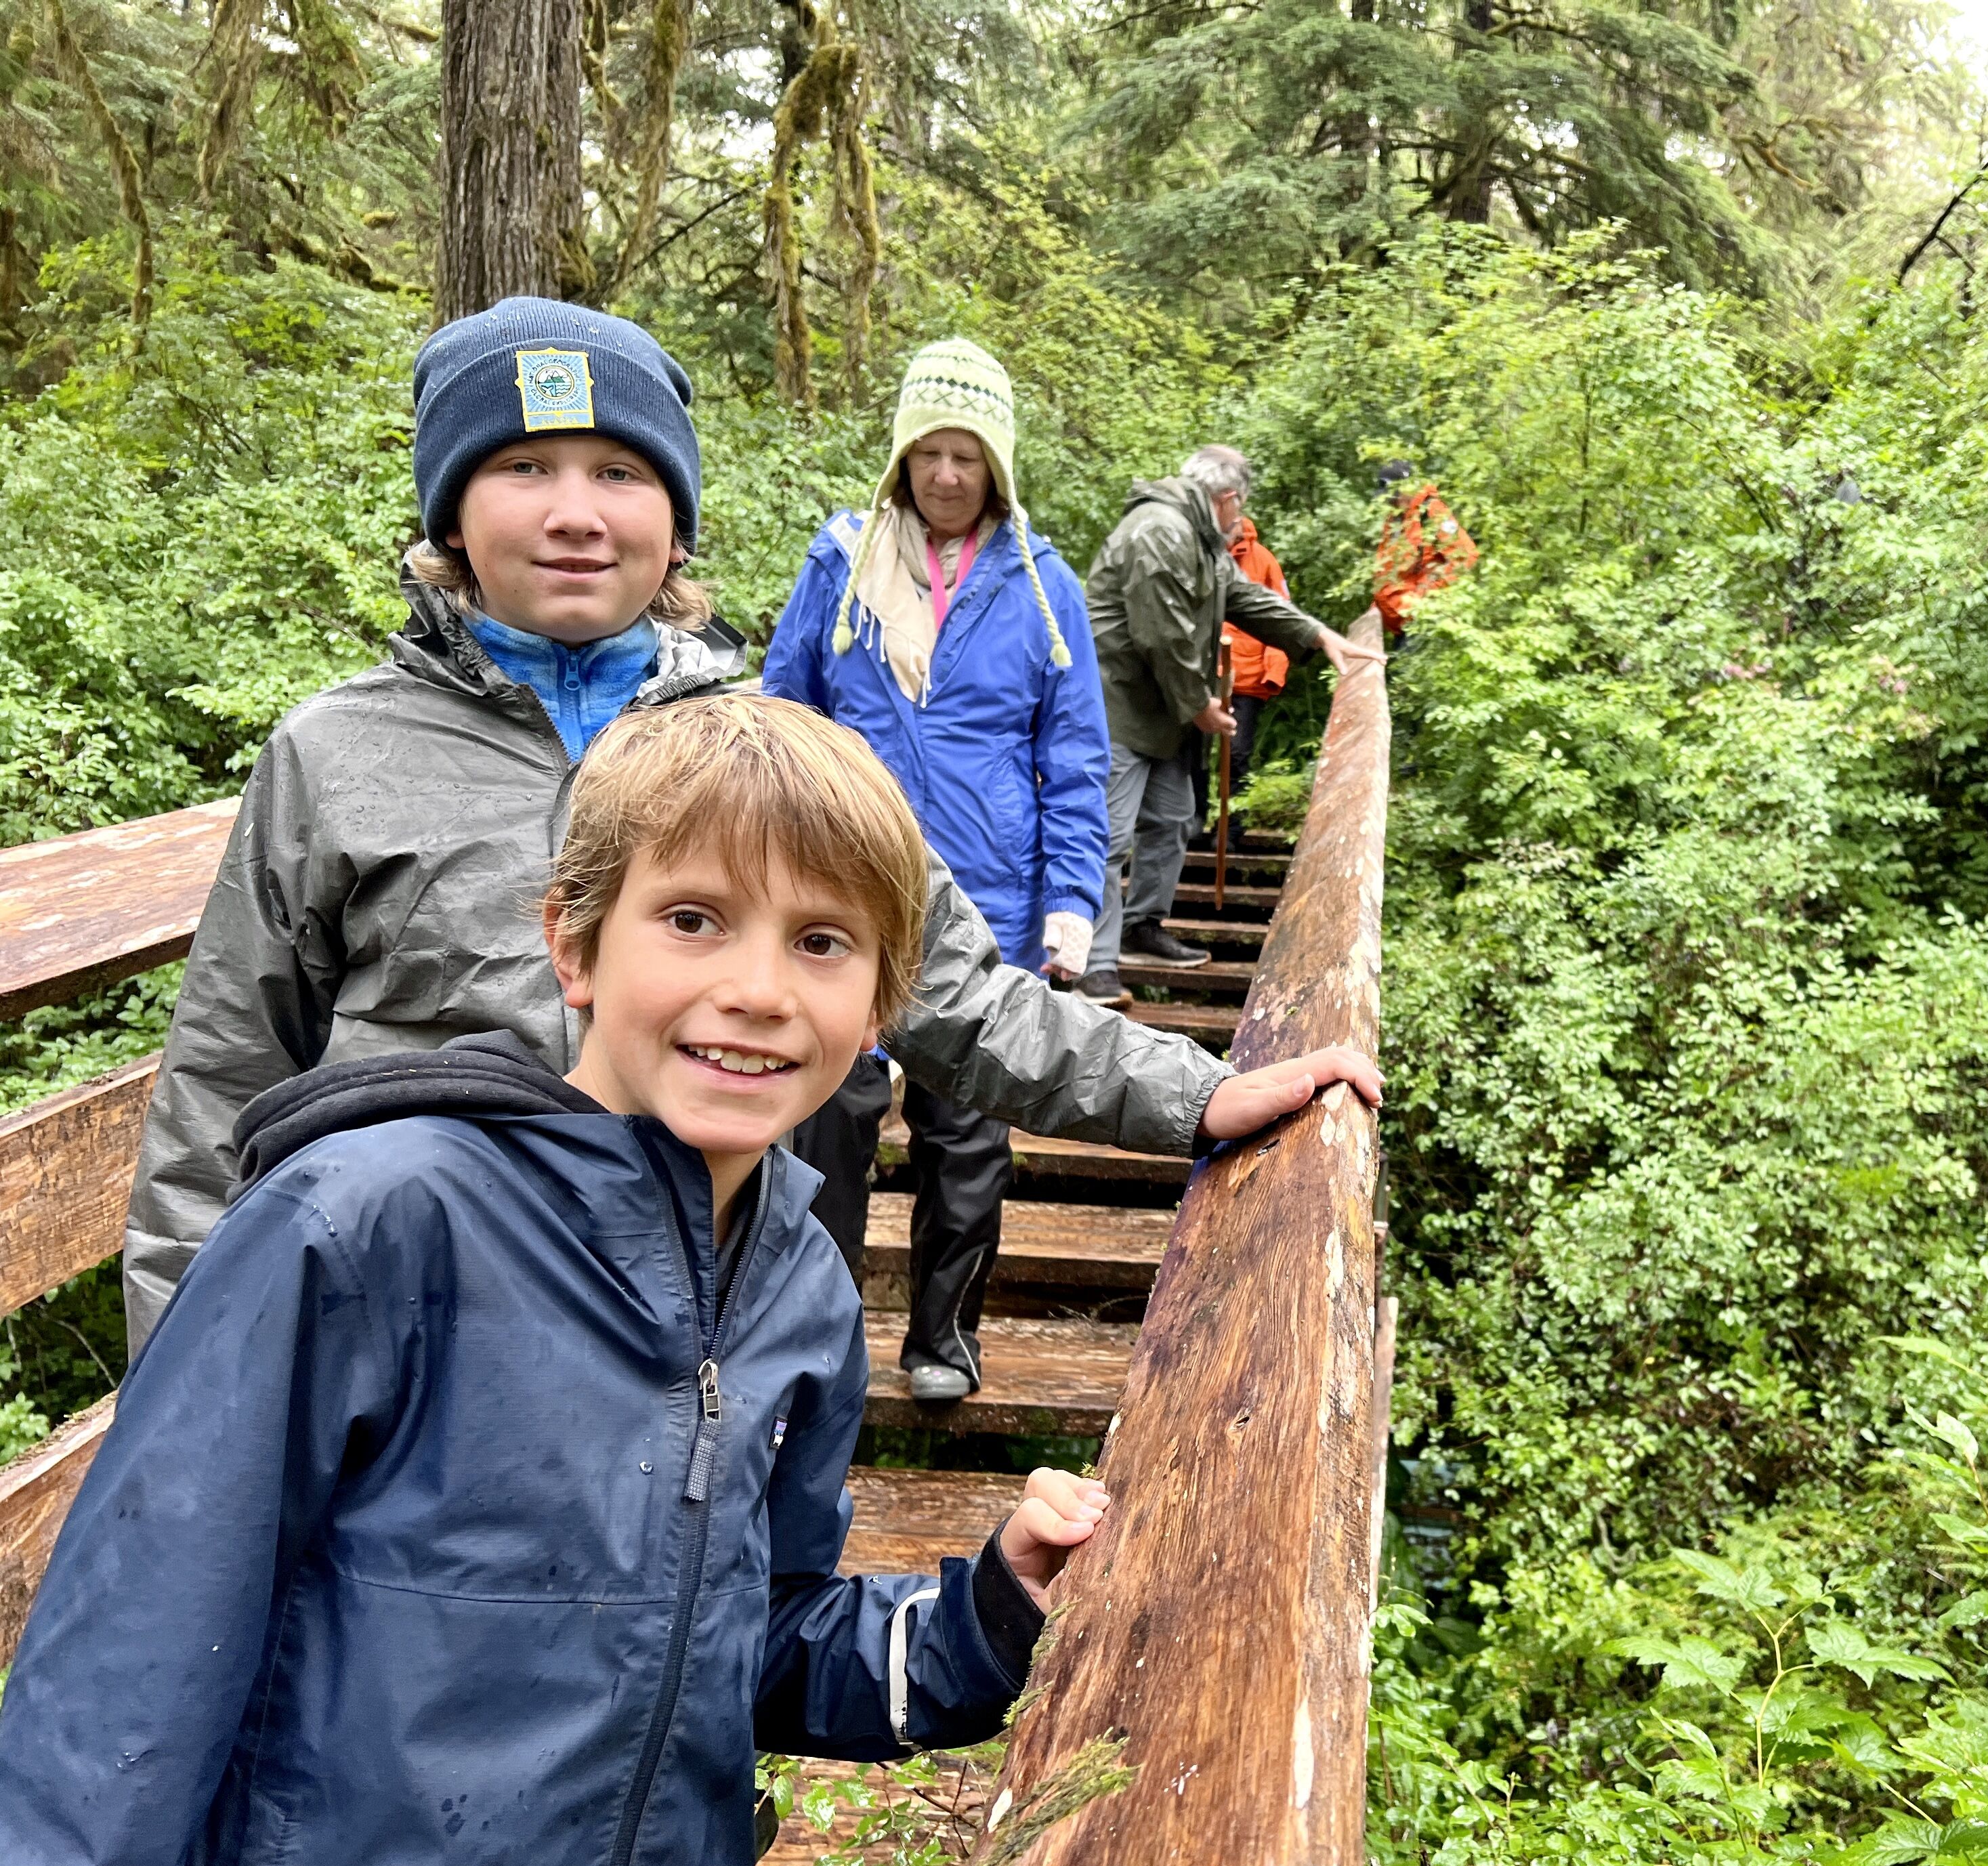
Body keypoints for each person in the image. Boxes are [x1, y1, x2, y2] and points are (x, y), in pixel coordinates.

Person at [0, 694, 1112, 1866]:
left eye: (822, 942)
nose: (759, 989)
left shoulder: (801, 1291)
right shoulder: (368, 1224)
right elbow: (121, 1685)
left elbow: (745, 1642)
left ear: (882, 1001)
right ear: (573, 944)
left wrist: (981, 1614)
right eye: (693, 918)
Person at [120, 300, 1382, 1357]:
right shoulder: (337, 757)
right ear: (451, 513)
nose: (577, 513)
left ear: (676, 521)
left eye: (620, 472)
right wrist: (188, 1397)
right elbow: (223, 1087)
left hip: (688, 1328)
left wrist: (1199, 1094)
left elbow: (952, 988)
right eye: (524, 468)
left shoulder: (759, 755)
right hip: (398, 1325)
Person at [763, 338, 1107, 1397]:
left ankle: (943, 1340)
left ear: (996, 466)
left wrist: (1070, 905)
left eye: (967, 456)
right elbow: (782, 719)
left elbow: (1075, 757)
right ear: (902, 458)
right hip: (845, 889)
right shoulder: (842, 563)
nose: (947, 476)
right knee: (829, 1122)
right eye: (929, 453)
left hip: (988, 898)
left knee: (967, 1135)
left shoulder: (1043, 588)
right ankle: (815, 1340)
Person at [1079, 444, 1383, 1005]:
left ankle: (1141, 927)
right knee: (1109, 836)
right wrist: (1200, 706)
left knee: (1172, 820)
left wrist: (1316, 635)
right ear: (1227, 498)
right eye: (1240, 505)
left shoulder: (1202, 541)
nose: (1240, 516)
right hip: (1117, 706)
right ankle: (1092, 964)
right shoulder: (1159, 530)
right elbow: (1161, 634)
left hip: (1165, 713)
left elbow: (1244, 596)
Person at [1204, 507, 1293, 818]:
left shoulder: (1264, 561)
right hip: (1203, 675)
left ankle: (1232, 828)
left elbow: (1281, 617)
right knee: (1193, 756)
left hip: (1247, 678)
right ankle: (1193, 826)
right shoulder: (1201, 555)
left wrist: (1273, 671)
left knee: (1237, 754)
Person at [1370, 457, 1477, 642]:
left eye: (1393, 495)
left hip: (1423, 623)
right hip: (1401, 626)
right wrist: (1379, 604)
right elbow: (1389, 571)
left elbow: (1464, 557)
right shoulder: (1394, 520)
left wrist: (1423, 597)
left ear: (1407, 488)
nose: (1390, 502)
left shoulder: (1430, 512)